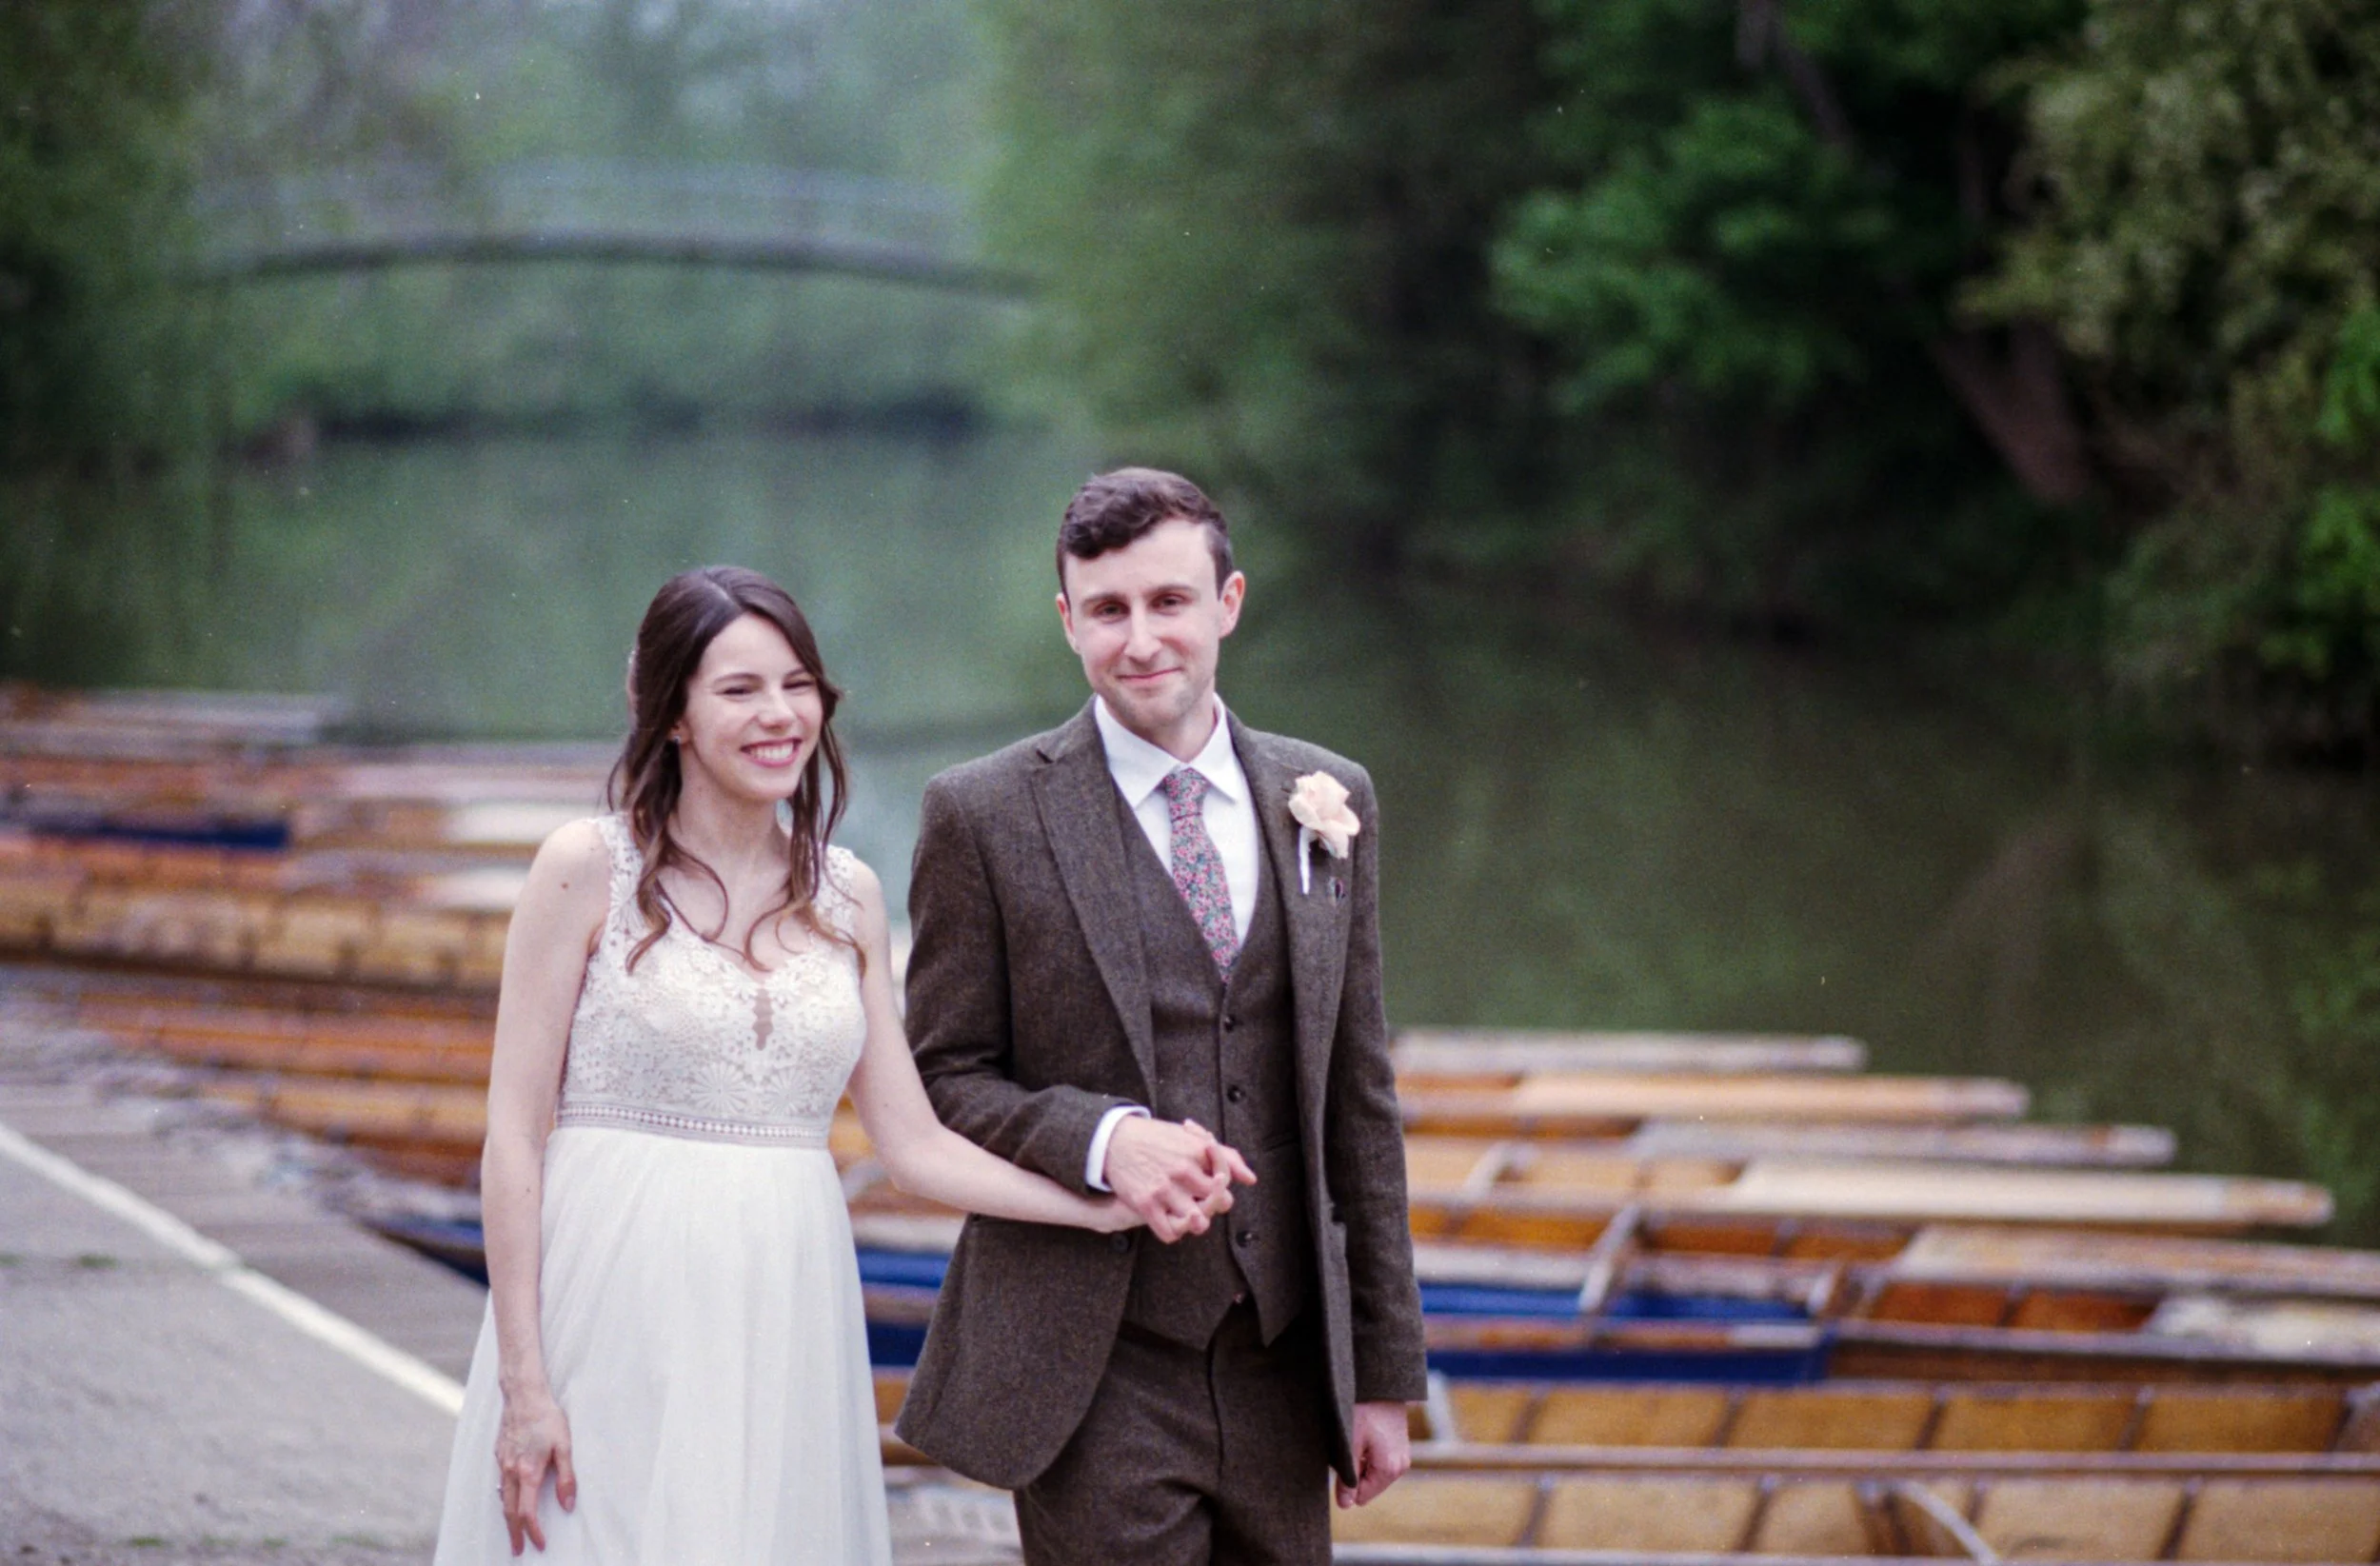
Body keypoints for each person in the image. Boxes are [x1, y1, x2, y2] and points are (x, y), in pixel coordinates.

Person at [432, 565, 1134, 1564]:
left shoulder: (844, 891)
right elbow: (512, 1134)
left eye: (797, 684)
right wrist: (524, 1382)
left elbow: (914, 1145)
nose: (779, 715)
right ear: (671, 712)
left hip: (785, 1302)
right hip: (614, 1288)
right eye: (739, 689)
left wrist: (1094, 1202)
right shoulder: (584, 867)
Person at [894, 468, 1429, 1565]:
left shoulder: (1329, 798)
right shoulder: (982, 813)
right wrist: (1102, 1142)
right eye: (1108, 610)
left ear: (1227, 603)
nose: (1141, 640)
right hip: (1094, 1362)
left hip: (1284, 1360)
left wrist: (1381, 1373)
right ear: (1067, 622)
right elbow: (943, 1077)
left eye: (1169, 602)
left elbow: (1358, 1103)